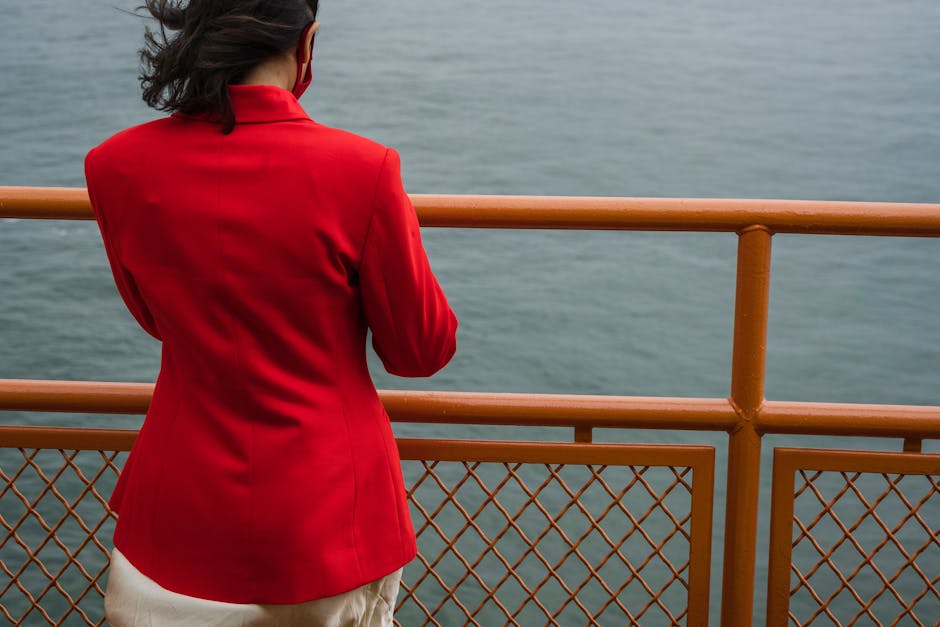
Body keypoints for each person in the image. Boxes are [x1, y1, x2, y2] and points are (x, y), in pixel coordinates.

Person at [84, 0, 458, 624]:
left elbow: (154, 318)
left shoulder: (115, 165)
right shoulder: (363, 170)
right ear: (306, 42)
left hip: (173, 519)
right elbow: (421, 351)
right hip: (328, 523)